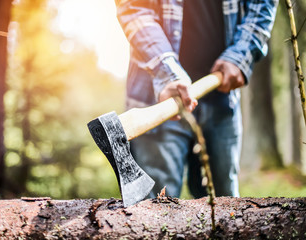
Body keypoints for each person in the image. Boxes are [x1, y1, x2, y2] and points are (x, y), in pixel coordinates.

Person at [115, 0, 278, 198]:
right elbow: (133, 8)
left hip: (222, 98)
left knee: (226, 211)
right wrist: (166, 70)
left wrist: (241, 55)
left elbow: (263, 4)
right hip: (159, 99)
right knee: (155, 212)